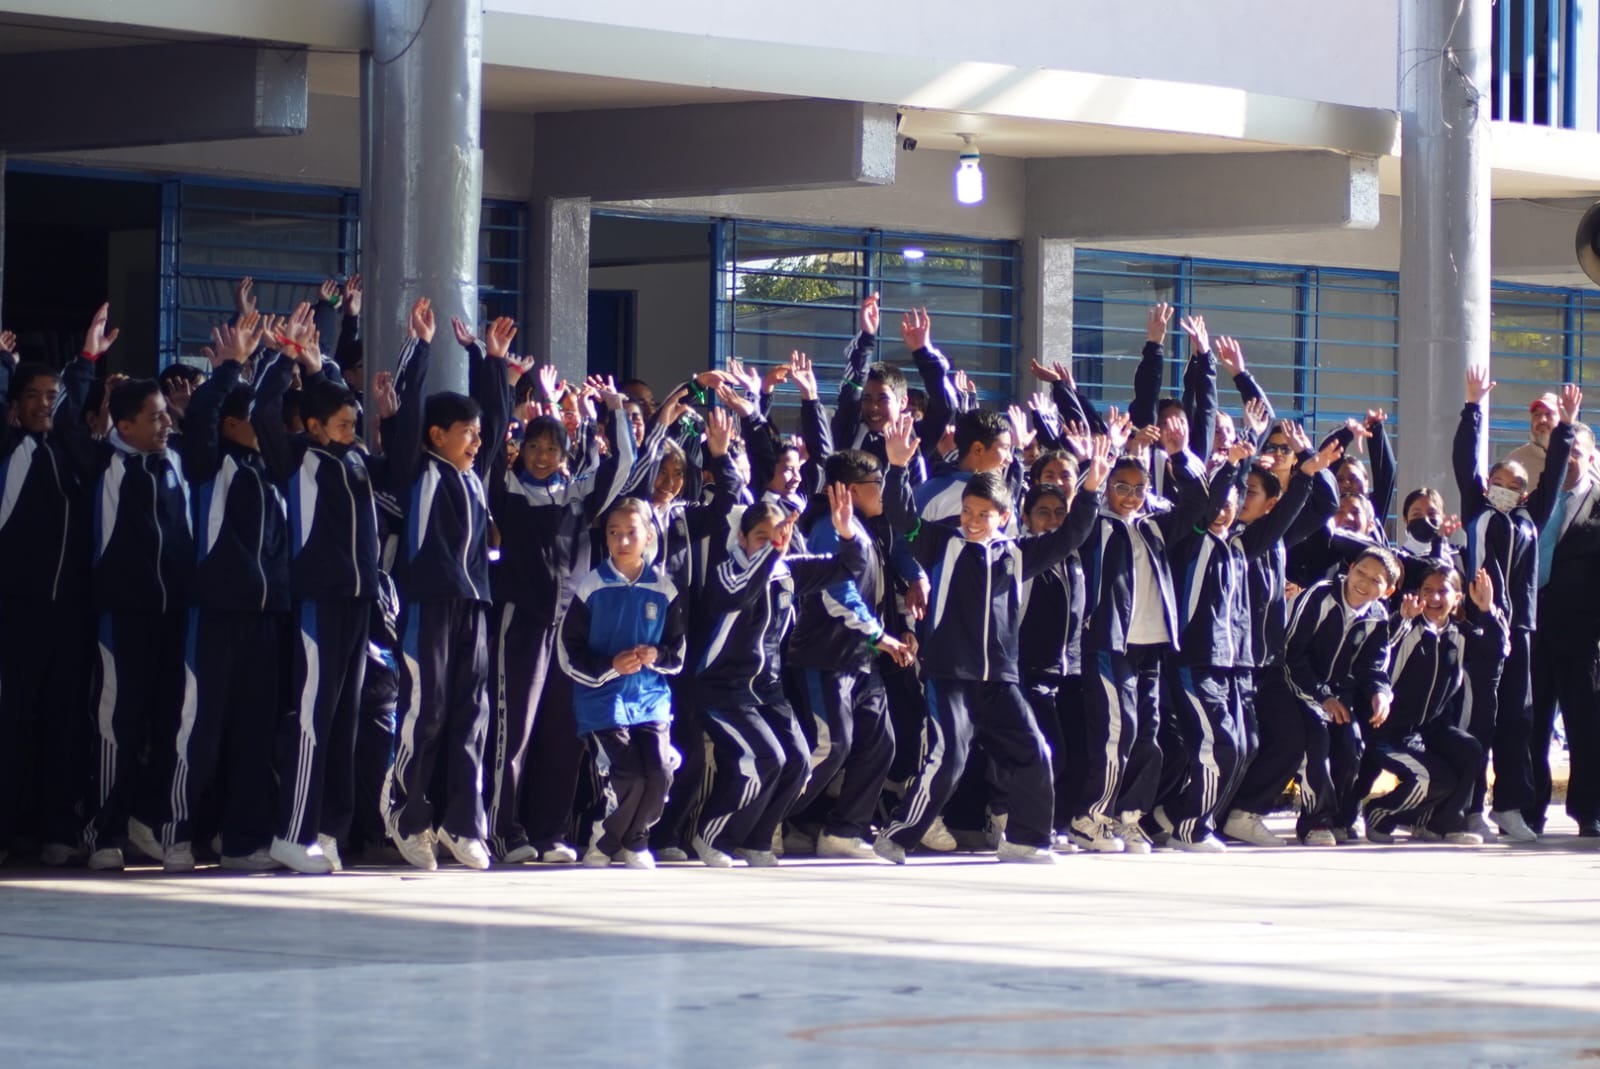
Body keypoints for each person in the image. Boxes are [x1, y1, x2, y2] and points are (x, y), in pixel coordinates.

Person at [875, 418, 1111, 865]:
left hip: (1001, 680)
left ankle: (1027, 839)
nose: (973, 521)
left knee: (1035, 752)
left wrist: (1092, 490)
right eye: (968, 512)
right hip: (949, 676)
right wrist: (898, 468)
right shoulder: (940, 543)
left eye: (984, 515)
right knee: (949, 758)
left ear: (1004, 517)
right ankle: (898, 836)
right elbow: (901, 516)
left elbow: (1071, 536)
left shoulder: (1017, 553)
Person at [254, 302, 413, 873]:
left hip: (359, 605)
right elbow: (264, 412)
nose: (353, 432)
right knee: (310, 716)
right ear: (316, 427)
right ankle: (291, 832)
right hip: (317, 604)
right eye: (343, 425)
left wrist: (319, 368)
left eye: (354, 424)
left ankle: (328, 829)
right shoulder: (296, 457)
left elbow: (393, 469)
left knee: (344, 723)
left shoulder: (355, 462)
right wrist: (282, 358)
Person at [484, 350, 642, 865]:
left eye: (552, 448)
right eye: (534, 446)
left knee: (562, 732)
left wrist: (616, 409)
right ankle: (503, 831)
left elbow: (621, 467)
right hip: (520, 624)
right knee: (514, 732)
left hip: (568, 631)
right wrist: (507, 388)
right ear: (522, 449)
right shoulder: (505, 490)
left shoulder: (576, 496)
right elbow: (486, 449)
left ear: (565, 453)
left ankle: (549, 832)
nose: (542, 455)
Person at [151, 314, 288, 871]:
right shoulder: (209, 462)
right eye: (254, 421)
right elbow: (205, 411)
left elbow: (276, 403)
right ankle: (172, 831)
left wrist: (290, 355)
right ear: (232, 426)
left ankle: (241, 840)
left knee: (255, 732)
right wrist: (230, 366)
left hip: (265, 618)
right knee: (199, 726)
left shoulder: (272, 469)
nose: (266, 428)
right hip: (214, 614)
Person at [384, 308, 510, 872]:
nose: (477, 441)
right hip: (427, 605)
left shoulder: (473, 477)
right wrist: (420, 348)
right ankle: (405, 814)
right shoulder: (418, 468)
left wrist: (491, 359)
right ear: (437, 436)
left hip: (472, 607)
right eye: (467, 433)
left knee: (471, 715)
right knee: (425, 712)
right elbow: (406, 414)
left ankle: (463, 824)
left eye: (478, 434)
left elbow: (501, 423)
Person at [692, 473, 869, 868]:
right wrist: (774, 554)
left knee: (800, 761)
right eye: (761, 537)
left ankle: (757, 841)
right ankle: (714, 834)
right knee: (765, 757)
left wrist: (845, 531)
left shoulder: (788, 571)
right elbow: (741, 592)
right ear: (743, 539)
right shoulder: (727, 571)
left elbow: (848, 567)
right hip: (723, 688)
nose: (770, 544)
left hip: (767, 691)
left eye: (778, 537)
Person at [1069, 415, 1211, 853]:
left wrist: (1179, 455)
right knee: (1118, 730)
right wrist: (1099, 458)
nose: (1130, 497)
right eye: (1121, 487)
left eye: (1138, 489)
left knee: (1148, 733)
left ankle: (1127, 816)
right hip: (1109, 642)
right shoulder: (1095, 524)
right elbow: (1078, 507)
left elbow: (1198, 504)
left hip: (1152, 645)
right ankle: (1088, 818)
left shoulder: (1153, 525)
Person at [84, 369, 196, 871]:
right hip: (123, 619)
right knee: (118, 723)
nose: (165, 424)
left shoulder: (173, 463)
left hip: (173, 617)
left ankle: (152, 823)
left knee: (170, 720)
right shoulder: (109, 466)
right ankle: (105, 831)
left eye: (166, 415)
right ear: (124, 426)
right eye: (153, 418)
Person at [0, 312, 100, 866]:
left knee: (63, 724)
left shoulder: (71, 454)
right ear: (15, 405)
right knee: (12, 722)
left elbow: (73, 423)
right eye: (33, 395)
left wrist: (84, 363)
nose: (45, 403)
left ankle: (57, 830)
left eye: (51, 395)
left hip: (70, 617)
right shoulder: (10, 451)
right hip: (16, 613)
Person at [1453, 367, 1569, 843]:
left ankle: (1511, 807)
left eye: (1512, 482)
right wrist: (1473, 406)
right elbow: (1464, 461)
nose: (1501, 485)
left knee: (1517, 719)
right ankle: (1467, 806)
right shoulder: (1478, 510)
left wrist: (1564, 427)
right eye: (1496, 478)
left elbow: (1556, 473)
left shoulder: (1530, 518)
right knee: (1477, 714)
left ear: (1524, 492)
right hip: (1480, 625)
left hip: (1518, 629)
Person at [783, 449, 916, 859]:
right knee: (831, 745)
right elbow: (835, 594)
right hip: (826, 656)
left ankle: (844, 830)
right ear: (853, 491)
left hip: (861, 658)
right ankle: (766, 817)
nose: (884, 493)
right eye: (878, 485)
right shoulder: (829, 529)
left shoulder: (869, 528)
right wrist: (881, 635)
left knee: (881, 742)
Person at [1223, 546, 1401, 847]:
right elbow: (1292, 656)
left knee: (1350, 746)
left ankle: (1339, 817)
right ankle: (1297, 819)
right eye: (1361, 572)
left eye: (1376, 580)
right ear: (1350, 567)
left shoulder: (1377, 616)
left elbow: (1373, 666)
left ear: (1388, 590)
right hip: (1285, 683)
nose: (1364, 582)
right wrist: (1323, 698)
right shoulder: (1320, 596)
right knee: (1308, 741)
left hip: (1331, 695)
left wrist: (1379, 694)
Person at [559, 497, 687, 870]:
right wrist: (610, 666)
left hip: (650, 699)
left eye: (631, 533)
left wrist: (656, 657)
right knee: (628, 774)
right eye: (614, 533)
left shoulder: (665, 589)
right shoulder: (591, 587)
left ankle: (634, 840)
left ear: (649, 536)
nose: (623, 541)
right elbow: (569, 654)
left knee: (660, 773)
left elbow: (677, 652)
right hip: (603, 701)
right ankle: (608, 838)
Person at [1362, 565, 1502, 845]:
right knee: (1427, 779)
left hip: (1429, 732)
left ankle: (1444, 822)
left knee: (1469, 753)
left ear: (1458, 597)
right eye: (1428, 591)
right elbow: (1377, 659)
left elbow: (1496, 651)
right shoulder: (1407, 626)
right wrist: (1402, 621)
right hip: (1389, 733)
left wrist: (1487, 611)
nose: (1435, 598)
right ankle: (1378, 812)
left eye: (1443, 591)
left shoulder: (1459, 634)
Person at [1526, 386, 1600, 838]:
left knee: (1585, 724)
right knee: (1531, 726)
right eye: (1563, 449)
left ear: (1593, 456)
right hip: (1533, 632)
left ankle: (1588, 810)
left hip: (1582, 635)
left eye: (1577, 450)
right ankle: (1528, 808)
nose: (1569, 457)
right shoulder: (1537, 502)